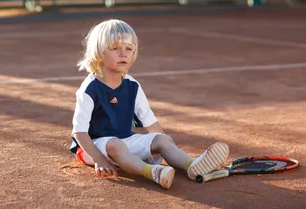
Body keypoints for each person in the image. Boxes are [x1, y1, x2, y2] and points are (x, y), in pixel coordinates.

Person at [69, 19, 229, 189]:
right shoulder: (89, 89)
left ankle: (192, 165)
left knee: (163, 139)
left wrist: (161, 146)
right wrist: (98, 159)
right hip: (92, 147)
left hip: (125, 141)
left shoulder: (132, 85)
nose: (123, 54)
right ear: (99, 53)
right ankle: (153, 172)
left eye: (128, 49)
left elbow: (151, 124)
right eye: (115, 48)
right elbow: (79, 132)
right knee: (116, 145)